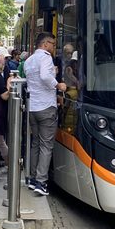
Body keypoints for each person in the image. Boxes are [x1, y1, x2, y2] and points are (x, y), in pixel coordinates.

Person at [24, 32, 66, 196]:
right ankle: (41, 182)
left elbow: (34, 79)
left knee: (35, 143)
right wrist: (58, 85)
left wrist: (51, 74)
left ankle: (33, 178)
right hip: (46, 107)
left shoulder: (29, 60)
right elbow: (44, 76)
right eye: (53, 45)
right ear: (46, 44)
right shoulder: (45, 57)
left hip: (32, 107)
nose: (54, 48)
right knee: (46, 145)